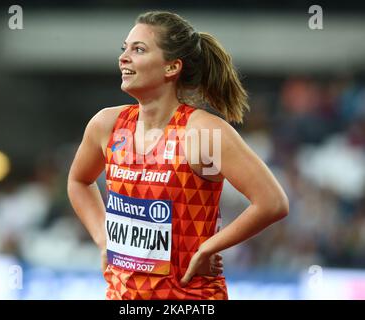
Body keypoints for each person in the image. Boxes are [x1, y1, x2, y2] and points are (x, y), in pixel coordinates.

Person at [67, 11, 289, 300]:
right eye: (124, 49)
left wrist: (211, 246)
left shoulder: (202, 132)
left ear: (171, 68)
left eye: (139, 49)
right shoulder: (106, 125)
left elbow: (273, 203)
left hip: (190, 299)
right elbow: (78, 181)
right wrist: (102, 238)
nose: (124, 58)